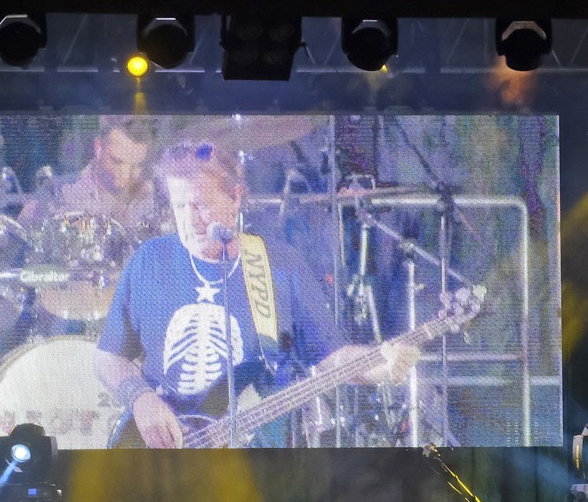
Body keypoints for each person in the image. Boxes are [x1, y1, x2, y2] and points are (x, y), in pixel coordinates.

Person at [94, 141, 417, 447]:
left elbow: (333, 358)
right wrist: (140, 398)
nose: (190, 221)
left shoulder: (279, 265)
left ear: (235, 198)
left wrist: (381, 365)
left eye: (201, 204)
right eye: (180, 206)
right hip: (161, 454)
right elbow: (108, 357)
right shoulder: (151, 259)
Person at [18, 116, 168, 237]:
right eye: (116, 161)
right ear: (98, 147)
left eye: (136, 166)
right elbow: (16, 252)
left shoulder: (159, 200)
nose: (125, 175)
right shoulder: (56, 196)